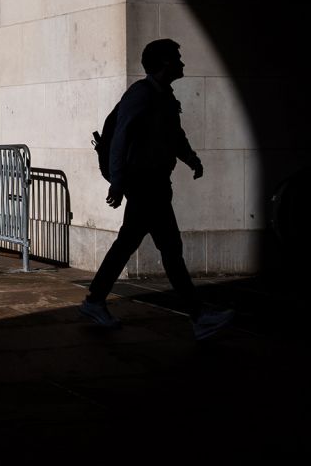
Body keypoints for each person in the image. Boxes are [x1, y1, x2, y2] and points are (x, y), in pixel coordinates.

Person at [78, 39, 235, 340]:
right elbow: (121, 138)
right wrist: (118, 181)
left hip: (154, 183)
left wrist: (191, 159)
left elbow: (173, 135)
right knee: (171, 250)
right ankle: (199, 316)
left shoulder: (163, 96)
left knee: (129, 244)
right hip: (146, 185)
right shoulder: (141, 95)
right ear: (164, 63)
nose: (182, 63)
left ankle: (95, 300)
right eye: (177, 58)